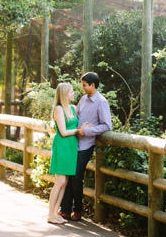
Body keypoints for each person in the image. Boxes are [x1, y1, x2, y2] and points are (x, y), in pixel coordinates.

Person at [59, 72, 112, 221]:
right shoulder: (83, 99)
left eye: (84, 85)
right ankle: (65, 210)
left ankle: (78, 210)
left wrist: (87, 130)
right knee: (68, 174)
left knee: (76, 176)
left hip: (86, 145)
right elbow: (75, 117)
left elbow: (107, 125)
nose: (82, 87)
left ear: (92, 85)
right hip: (73, 143)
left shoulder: (101, 102)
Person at [47, 83, 79, 224]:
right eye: (71, 92)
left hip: (71, 148)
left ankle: (55, 213)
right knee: (59, 181)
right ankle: (50, 214)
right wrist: (78, 130)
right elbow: (64, 132)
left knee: (64, 182)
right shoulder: (59, 109)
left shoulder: (73, 108)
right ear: (65, 94)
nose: (73, 94)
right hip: (62, 146)